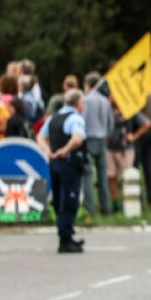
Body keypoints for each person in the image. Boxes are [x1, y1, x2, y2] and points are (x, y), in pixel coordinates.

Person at [36, 89, 88, 253]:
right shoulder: (75, 118)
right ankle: (65, 238)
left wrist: (49, 151)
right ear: (78, 104)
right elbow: (78, 139)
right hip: (69, 163)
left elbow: (40, 137)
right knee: (70, 199)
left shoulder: (53, 118)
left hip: (54, 163)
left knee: (59, 200)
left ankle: (65, 235)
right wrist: (65, 150)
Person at [106, 102, 151, 206]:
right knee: (111, 176)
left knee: (127, 176)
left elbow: (147, 123)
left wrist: (134, 136)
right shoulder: (108, 109)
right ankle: (115, 203)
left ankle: (131, 202)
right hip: (110, 147)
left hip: (125, 148)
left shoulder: (129, 109)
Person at [82, 72, 114, 216]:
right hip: (102, 139)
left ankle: (90, 209)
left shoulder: (86, 100)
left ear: (88, 84)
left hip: (89, 138)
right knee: (102, 175)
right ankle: (106, 207)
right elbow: (110, 123)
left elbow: (83, 119)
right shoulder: (105, 101)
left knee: (88, 175)